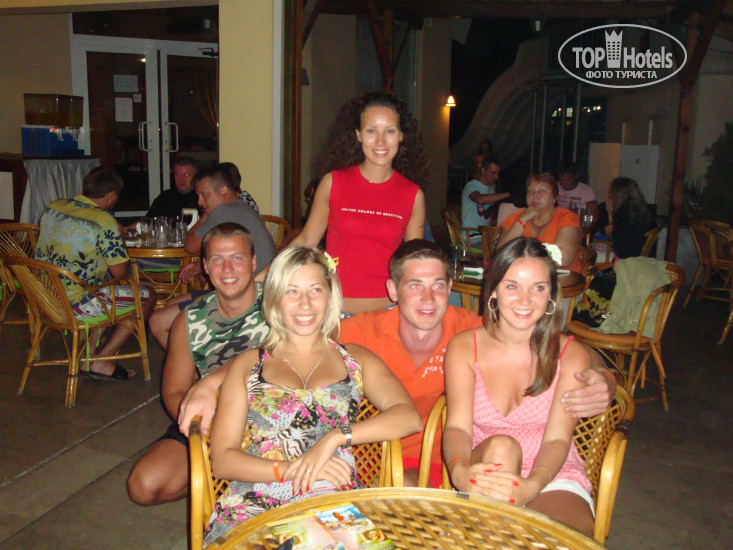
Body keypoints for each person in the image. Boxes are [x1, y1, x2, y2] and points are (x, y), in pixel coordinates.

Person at [338, 239, 615, 487]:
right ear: (393, 290)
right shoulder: (364, 330)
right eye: (415, 285)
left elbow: (556, 345)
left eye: (438, 285)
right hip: (366, 453)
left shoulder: (467, 331)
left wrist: (605, 375)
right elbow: (313, 345)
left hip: (433, 463)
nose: (428, 298)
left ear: (450, 287)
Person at [202, 246, 421, 544]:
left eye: (315, 290)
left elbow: (408, 417)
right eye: (292, 291)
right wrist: (295, 469)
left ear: (330, 297)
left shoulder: (355, 359)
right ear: (275, 298)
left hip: (332, 501)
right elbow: (222, 460)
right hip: (256, 502)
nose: (304, 303)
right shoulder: (249, 364)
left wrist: (335, 437)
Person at [442, 237, 595, 536]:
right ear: (493, 291)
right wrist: (458, 471)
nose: (525, 300)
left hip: (550, 472)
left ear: (551, 295)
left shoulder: (571, 355)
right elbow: (458, 427)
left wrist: (533, 486)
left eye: (538, 288)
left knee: (569, 538)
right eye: (512, 286)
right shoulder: (464, 347)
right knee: (502, 447)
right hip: (484, 468)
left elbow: (557, 440)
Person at [127, 223, 269, 505]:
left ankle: (238, 480)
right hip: (210, 420)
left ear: (253, 262)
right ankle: (222, 484)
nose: (227, 269)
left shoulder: (281, 303)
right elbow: (174, 392)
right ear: (205, 266)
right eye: (217, 259)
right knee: (144, 485)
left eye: (237, 258)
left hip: (273, 419)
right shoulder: (189, 319)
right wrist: (205, 432)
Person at [291, 91, 428, 315]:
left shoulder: (413, 195)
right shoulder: (333, 182)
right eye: (371, 131)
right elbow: (306, 240)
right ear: (359, 135)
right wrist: (266, 275)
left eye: (390, 131)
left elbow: (413, 264)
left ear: (401, 135)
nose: (380, 141)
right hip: (334, 313)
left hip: (387, 314)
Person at [34, 167, 157, 379]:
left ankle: (89, 353)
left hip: (42, 296)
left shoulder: (55, 206)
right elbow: (120, 273)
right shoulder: (104, 220)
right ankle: (102, 359)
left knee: (107, 291)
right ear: (111, 196)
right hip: (75, 305)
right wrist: (119, 239)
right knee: (146, 296)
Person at [148, 164, 276, 348]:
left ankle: (198, 362)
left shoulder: (224, 211)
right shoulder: (242, 207)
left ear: (223, 190)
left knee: (157, 321)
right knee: (172, 303)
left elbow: (190, 245)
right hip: (255, 290)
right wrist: (199, 266)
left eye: (204, 195)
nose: (199, 201)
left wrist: (204, 217)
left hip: (249, 300)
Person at [498, 172, 583, 274]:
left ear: (554, 197)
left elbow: (562, 258)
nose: (534, 196)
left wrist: (520, 256)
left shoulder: (567, 217)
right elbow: (500, 253)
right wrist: (522, 220)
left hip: (562, 279)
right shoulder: (516, 217)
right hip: (524, 276)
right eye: (530, 191)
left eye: (542, 191)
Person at [605, 177, 655, 259]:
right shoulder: (641, 209)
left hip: (627, 258)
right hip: (639, 255)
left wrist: (609, 232)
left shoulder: (622, 214)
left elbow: (618, 248)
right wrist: (610, 214)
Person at [461, 156, 509, 242]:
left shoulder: (491, 188)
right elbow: (479, 199)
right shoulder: (471, 186)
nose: (496, 176)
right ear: (483, 171)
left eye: (497, 173)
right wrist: (507, 194)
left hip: (483, 236)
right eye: (493, 173)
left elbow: (490, 217)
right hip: (470, 237)